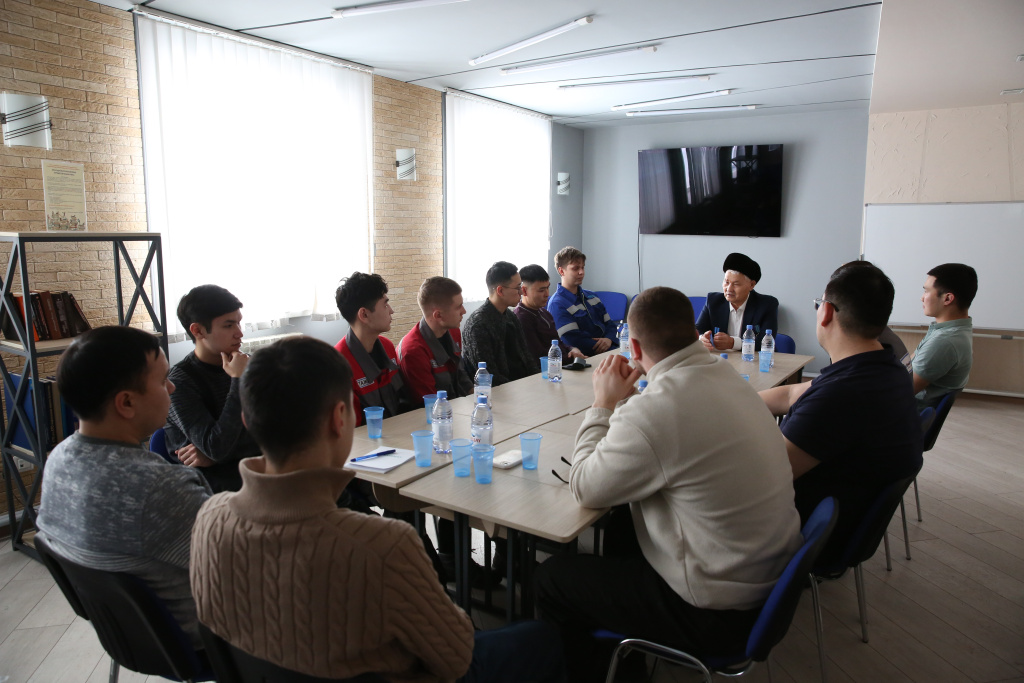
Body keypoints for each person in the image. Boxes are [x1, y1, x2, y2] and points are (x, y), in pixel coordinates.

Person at [189, 336, 565, 682]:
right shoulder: (381, 545)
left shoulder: (209, 519)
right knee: (541, 637)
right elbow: (457, 657)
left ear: (246, 419)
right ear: (339, 419)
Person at [534, 287, 802, 683]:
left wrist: (603, 404)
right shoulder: (723, 375)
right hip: (767, 584)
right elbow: (658, 440)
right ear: (693, 333)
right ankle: (624, 661)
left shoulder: (658, 408)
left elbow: (586, 486)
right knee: (622, 523)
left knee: (553, 578)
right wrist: (627, 405)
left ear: (634, 347)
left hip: (715, 612)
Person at [37, 326, 211, 646]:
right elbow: (240, 565)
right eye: (162, 380)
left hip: (129, 637)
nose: (172, 388)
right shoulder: (161, 488)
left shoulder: (58, 460)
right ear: (126, 402)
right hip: (212, 643)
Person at [759, 261, 923, 566]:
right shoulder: (883, 367)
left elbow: (763, 478)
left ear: (826, 312)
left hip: (802, 533)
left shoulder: (842, 397)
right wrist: (734, 401)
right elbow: (792, 393)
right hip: (840, 515)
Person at [165, 284, 259, 493]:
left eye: (239, 322)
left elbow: (283, 432)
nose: (239, 333)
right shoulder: (180, 382)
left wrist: (220, 454)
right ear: (198, 330)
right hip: (213, 491)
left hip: (261, 473)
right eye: (229, 325)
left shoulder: (251, 365)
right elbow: (217, 447)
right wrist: (238, 380)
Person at [335, 272, 412, 425]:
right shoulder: (339, 365)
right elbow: (352, 430)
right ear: (364, 314)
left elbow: (402, 401)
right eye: (385, 304)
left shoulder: (387, 346)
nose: (391, 310)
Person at [397, 276, 473, 404]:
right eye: (458, 307)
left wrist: (477, 396)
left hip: (455, 407)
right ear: (438, 315)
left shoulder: (453, 332)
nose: (464, 311)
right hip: (434, 413)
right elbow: (431, 405)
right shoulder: (413, 351)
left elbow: (460, 374)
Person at [461, 261, 539, 385]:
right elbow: (488, 375)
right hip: (500, 391)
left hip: (522, 386)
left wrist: (537, 380)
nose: (521, 292)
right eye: (517, 287)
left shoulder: (510, 316)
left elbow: (526, 357)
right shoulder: (478, 324)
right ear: (500, 291)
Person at [912, 263, 977, 409]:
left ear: (947, 299)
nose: (922, 298)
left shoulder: (944, 341)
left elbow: (899, 392)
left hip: (905, 416)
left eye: (926, 291)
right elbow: (909, 364)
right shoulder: (950, 331)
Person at [697, 252, 779, 352]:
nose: (729, 289)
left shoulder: (767, 304)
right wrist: (702, 339)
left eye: (736, 284)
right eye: (726, 282)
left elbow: (766, 342)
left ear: (751, 285)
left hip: (754, 359)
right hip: (722, 358)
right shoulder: (713, 300)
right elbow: (697, 330)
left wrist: (733, 343)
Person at [546, 247, 618, 356]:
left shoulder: (592, 296)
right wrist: (608, 347)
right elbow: (573, 340)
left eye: (582, 267)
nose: (581, 272)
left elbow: (610, 324)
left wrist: (609, 339)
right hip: (588, 357)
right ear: (561, 271)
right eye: (575, 268)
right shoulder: (557, 304)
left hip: (610, 349)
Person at [514, 263, 586, 361]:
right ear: (524, 291)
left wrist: (572, 349)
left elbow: (558, 343)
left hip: (562, 363)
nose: (547, 294)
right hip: (550, 368)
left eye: (547, 287)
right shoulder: (521, 319)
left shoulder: (544, 313)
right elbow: (539, 356)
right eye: (541, 290)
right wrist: (571, 358)